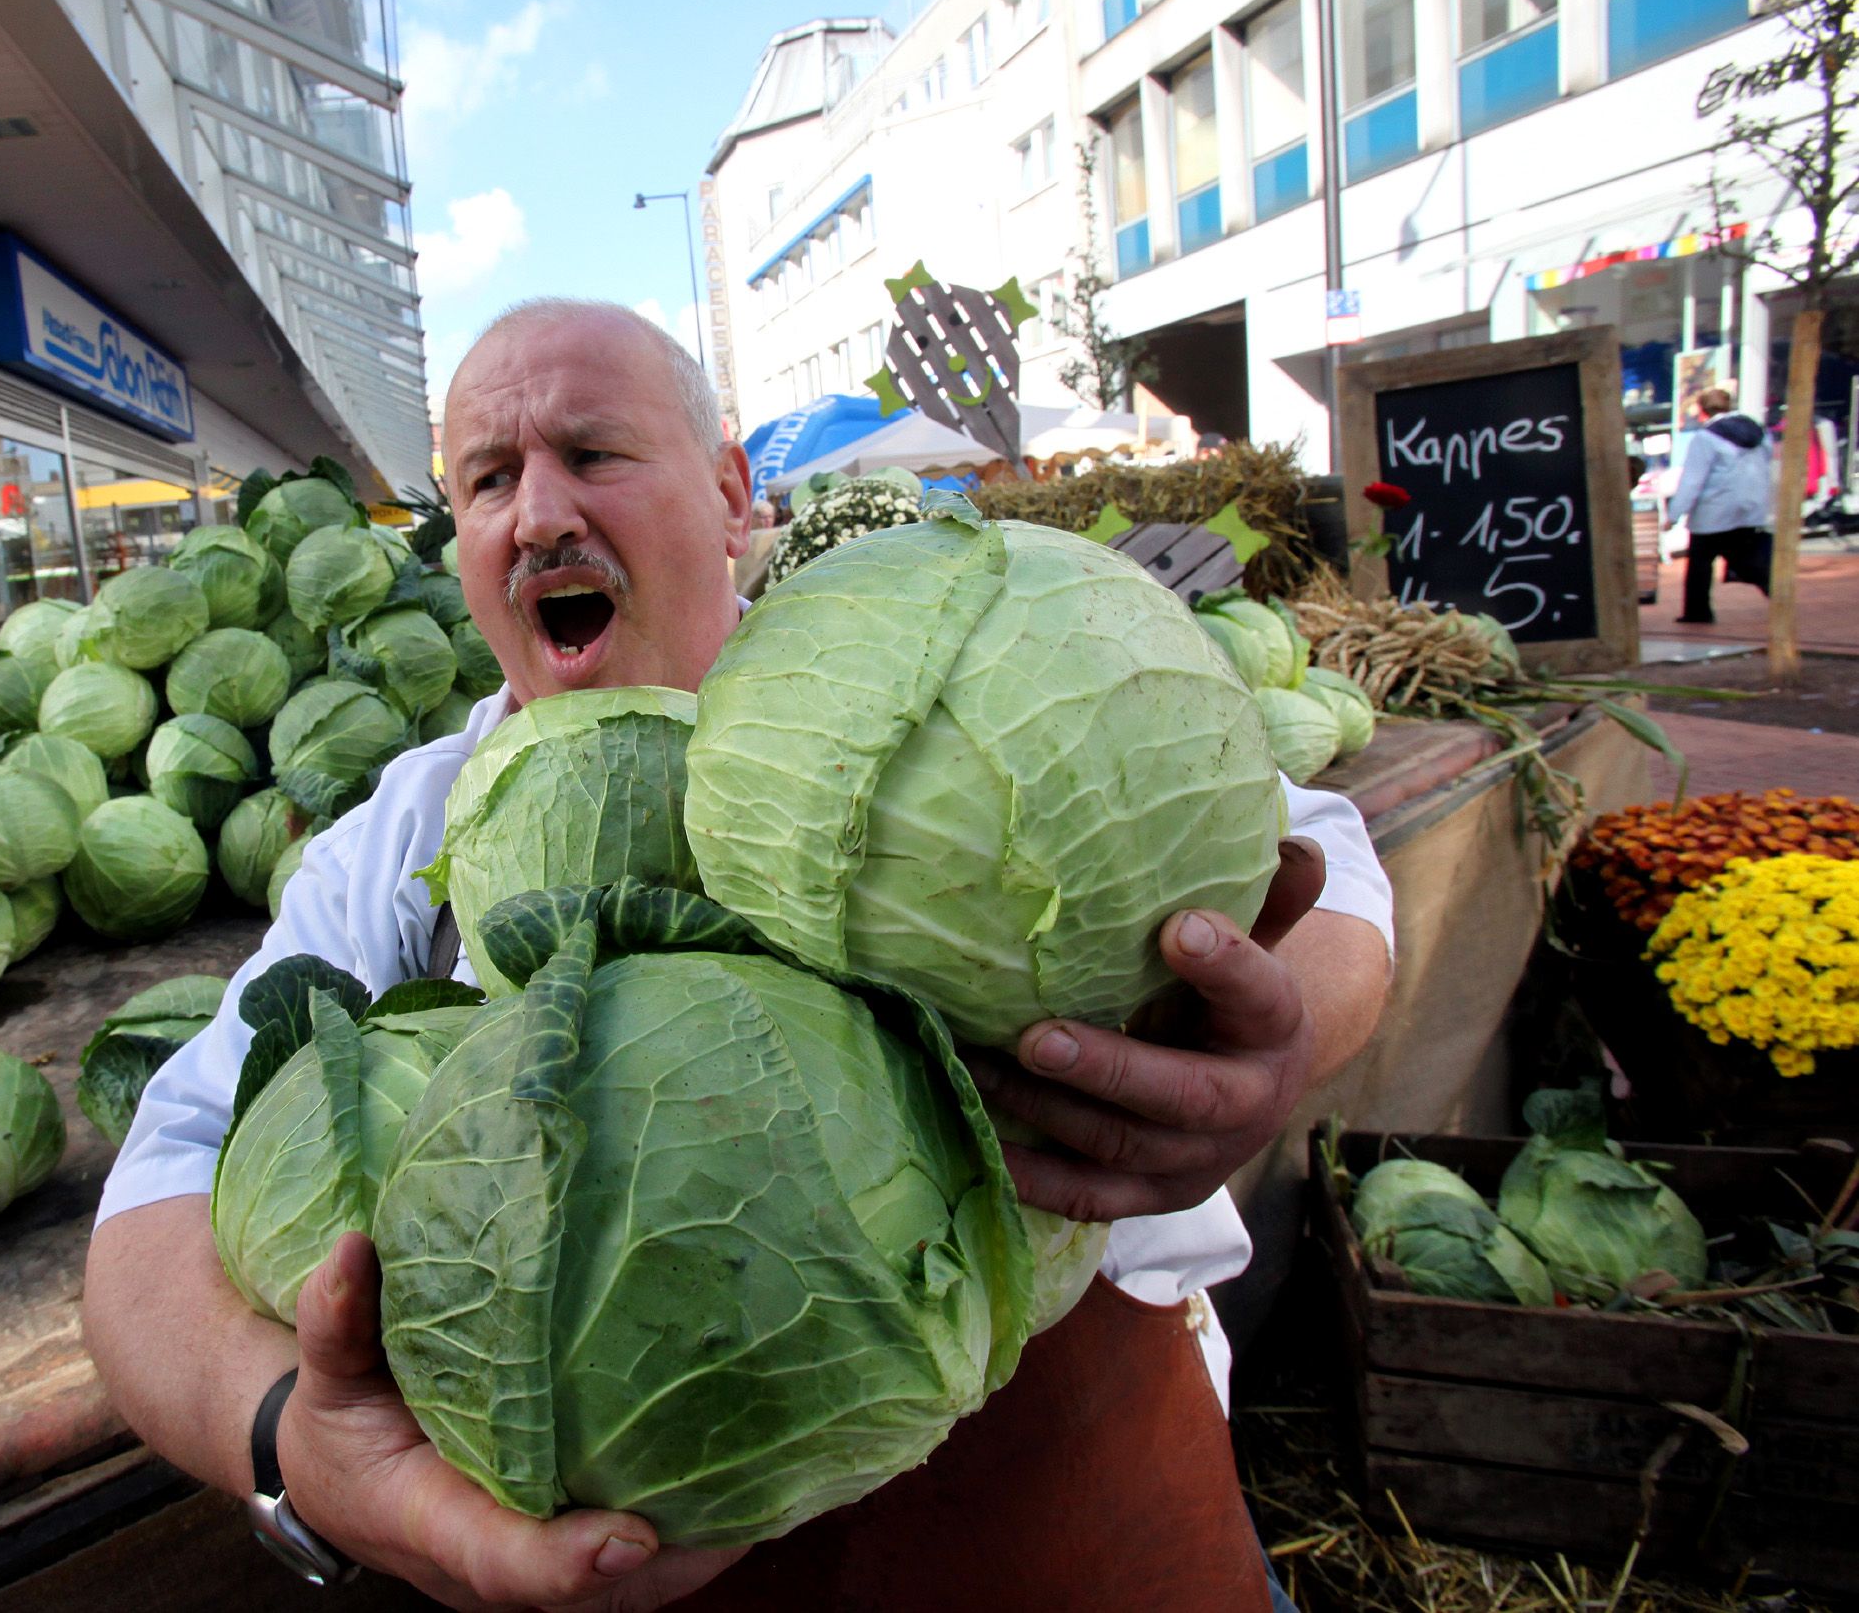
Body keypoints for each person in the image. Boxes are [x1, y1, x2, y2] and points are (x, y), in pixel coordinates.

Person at [84, 300, 1393, 1613]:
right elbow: (157, 1202)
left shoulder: (907, 670)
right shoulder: (407, 834)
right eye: (488, 478)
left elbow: (1324, 870)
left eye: (592, 454)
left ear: (726, 492)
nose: (538, 512)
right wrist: (291, 1446)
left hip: (1093, 1541)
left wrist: (1264, 1044)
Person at [1668, 386, 1775, 623]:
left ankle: (1698, 612)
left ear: (1702, 411)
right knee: (1747, 560)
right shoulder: (1759, 432)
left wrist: (1674, 514)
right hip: (1750, 509)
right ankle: (1777, 593)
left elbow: (1692, 480)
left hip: (1713, 512)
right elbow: (1768, 463)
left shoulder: (1706, 438)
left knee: (1700, 565)